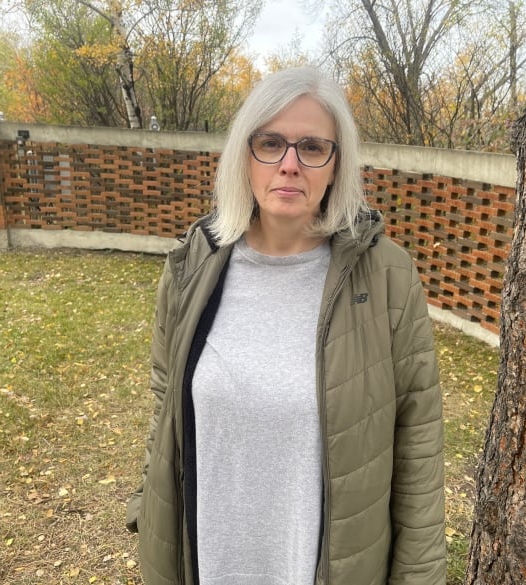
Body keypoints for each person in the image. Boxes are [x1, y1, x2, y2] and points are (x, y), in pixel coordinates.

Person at [126, 66, 445, 585]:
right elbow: (166, 405)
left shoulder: (388, 277)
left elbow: (418, 449)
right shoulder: (191, 266)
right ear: (243, 156)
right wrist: (148, 504)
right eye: (270, 143)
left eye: (313, 147)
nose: (290, 165)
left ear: (337, 163)